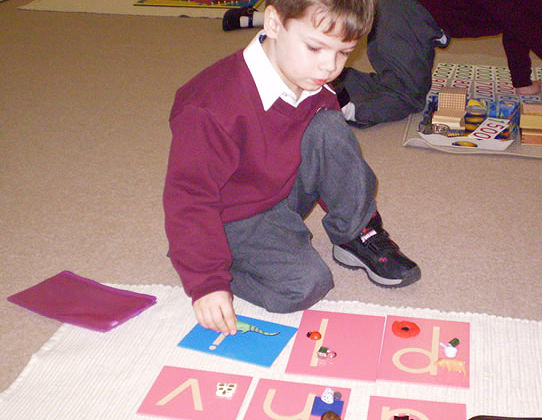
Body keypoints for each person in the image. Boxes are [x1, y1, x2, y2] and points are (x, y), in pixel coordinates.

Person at [164, 0, 420, 336]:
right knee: (305, 285)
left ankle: (355, 234)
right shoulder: (209, 106)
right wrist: (208, 281)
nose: (330, 66)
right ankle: (201, 257)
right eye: (315, 47)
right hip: (232, 216)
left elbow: (331, 158)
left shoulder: (312, 81)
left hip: (277, 188)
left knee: (329, 125)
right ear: (273, 23)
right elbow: (189, 197)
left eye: (344, 52)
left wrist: (347, 207)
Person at [224, 0, 542, 127]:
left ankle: (333, 82)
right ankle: (335, 107)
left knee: (399, 77)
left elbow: (526, 31)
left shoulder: (530, 7)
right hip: (404, 13)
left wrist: (521, 81)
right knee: (407, 95)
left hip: (415, 15)